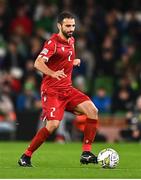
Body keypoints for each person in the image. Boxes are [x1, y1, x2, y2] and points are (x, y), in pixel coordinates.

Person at [18, 11, 98, 167]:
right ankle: (25, 156)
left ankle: (86, 153)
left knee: (93, 111)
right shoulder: (52, 43)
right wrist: (52, 73)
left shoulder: (71, 40)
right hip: (52, 91)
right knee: (53, 125)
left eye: (73, 26)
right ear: (59, 25)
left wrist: (72, 62)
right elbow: (38, 63)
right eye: (67, 26)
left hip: (67, 90)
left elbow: (63, 59)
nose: (71, 29)